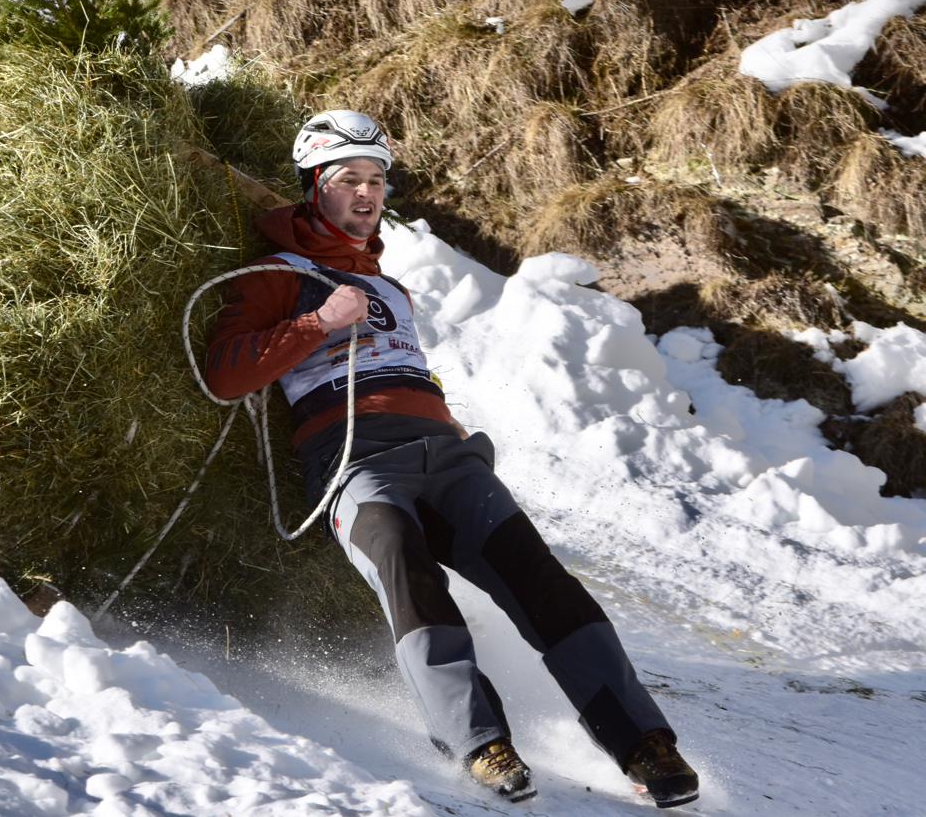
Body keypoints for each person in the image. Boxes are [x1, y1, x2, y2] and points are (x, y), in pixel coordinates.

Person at [203, 110, 700, 808]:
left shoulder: (392, 289)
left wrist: (458, 432)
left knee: (540, 578)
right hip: (356, 463)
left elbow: (409, 376)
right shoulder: (276, 273)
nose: (368, 193)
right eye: (350, 180)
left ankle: (644, 742)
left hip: (448, 456)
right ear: (315, 186)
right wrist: (318, 321)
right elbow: (224, 372)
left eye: (377, 179)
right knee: (406, 572)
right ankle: (479, 743)